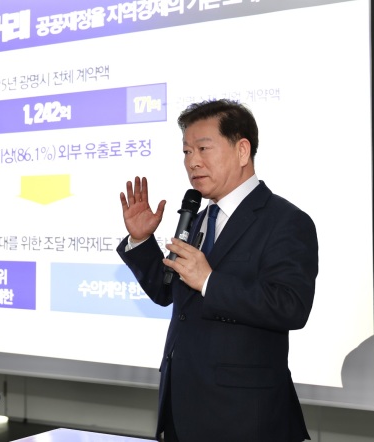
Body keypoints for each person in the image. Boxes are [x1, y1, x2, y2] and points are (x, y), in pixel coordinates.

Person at [117, 99, 318, 442]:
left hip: (245, 419)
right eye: (186, 151)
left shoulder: (285, 221)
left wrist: (210, 281)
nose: (192, 161)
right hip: (182, 409)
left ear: (242, 151)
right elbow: (168, 292)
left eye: (203, 148)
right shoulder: (197, 219)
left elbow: (291, 306)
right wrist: (141, 241)